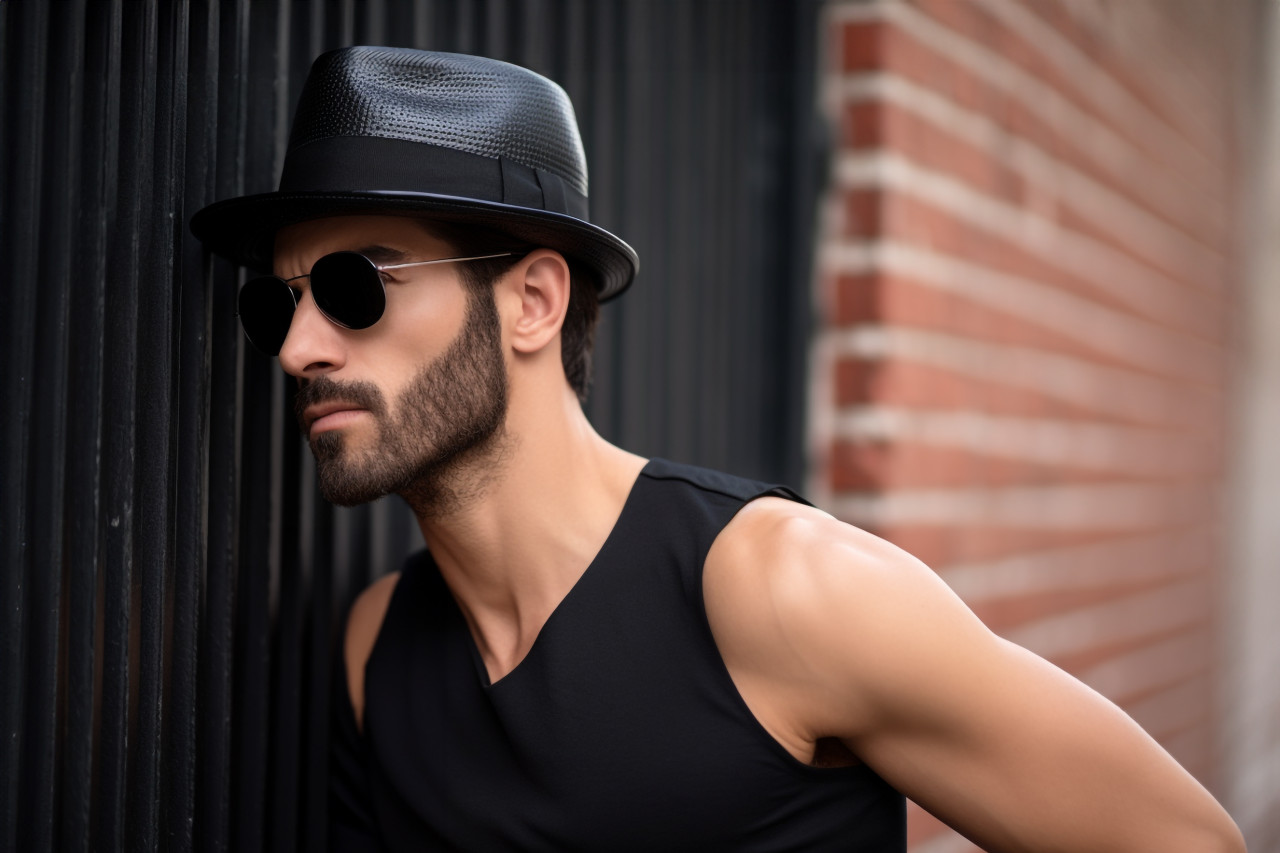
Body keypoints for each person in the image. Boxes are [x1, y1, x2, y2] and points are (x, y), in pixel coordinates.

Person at [192, 47, 1244, 852]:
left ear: (532, 300)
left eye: (353, 287)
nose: (296, 348)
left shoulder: (782, 588)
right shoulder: (377, 651)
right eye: (274, 303)